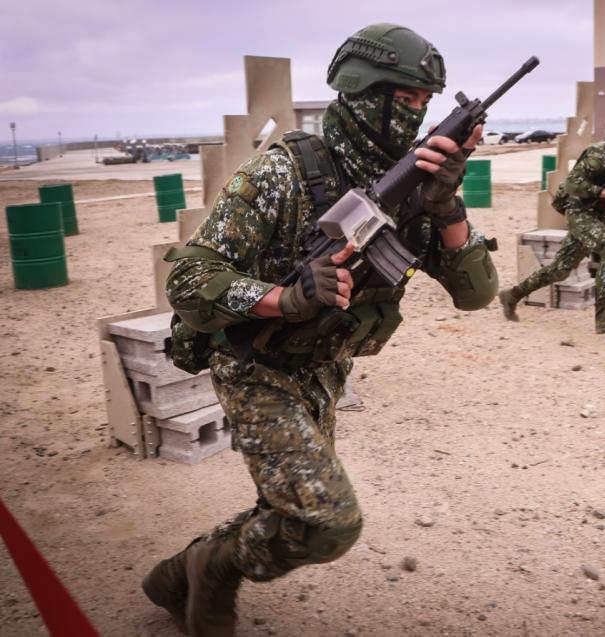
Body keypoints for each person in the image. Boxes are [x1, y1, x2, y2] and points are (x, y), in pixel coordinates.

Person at [141, 23, 498, 636]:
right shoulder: (284, 172)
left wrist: (446, 208)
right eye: (404, 101)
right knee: (329, 522)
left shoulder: (418, 185)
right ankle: (212, 569)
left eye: (424, 105)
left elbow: (478, 294)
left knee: (287, 507)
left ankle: (177, 577)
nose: (414, 118)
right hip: (255, 365)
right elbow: (189, 276)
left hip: (325, 369)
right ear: (364, 91)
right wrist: (285, 296)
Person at [498, 107, 605, 334]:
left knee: (560, 270)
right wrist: (602, 192)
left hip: (596, 216)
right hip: (579, 210)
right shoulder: (600, 154)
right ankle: (603, 316)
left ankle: (512, 295)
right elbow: (572, 184)